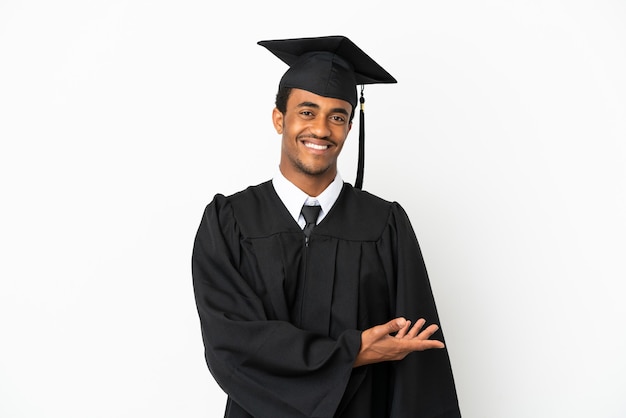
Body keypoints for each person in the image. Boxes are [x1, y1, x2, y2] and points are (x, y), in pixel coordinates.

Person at [192, 35, 461, 418]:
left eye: (337, 116)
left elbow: (418, 368)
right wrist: (353, 352)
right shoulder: (229, 222)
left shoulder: (385, 225)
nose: (321, 129)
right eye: (307, 111)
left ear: (350, 128)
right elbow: (232, 344)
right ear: (279, 119)